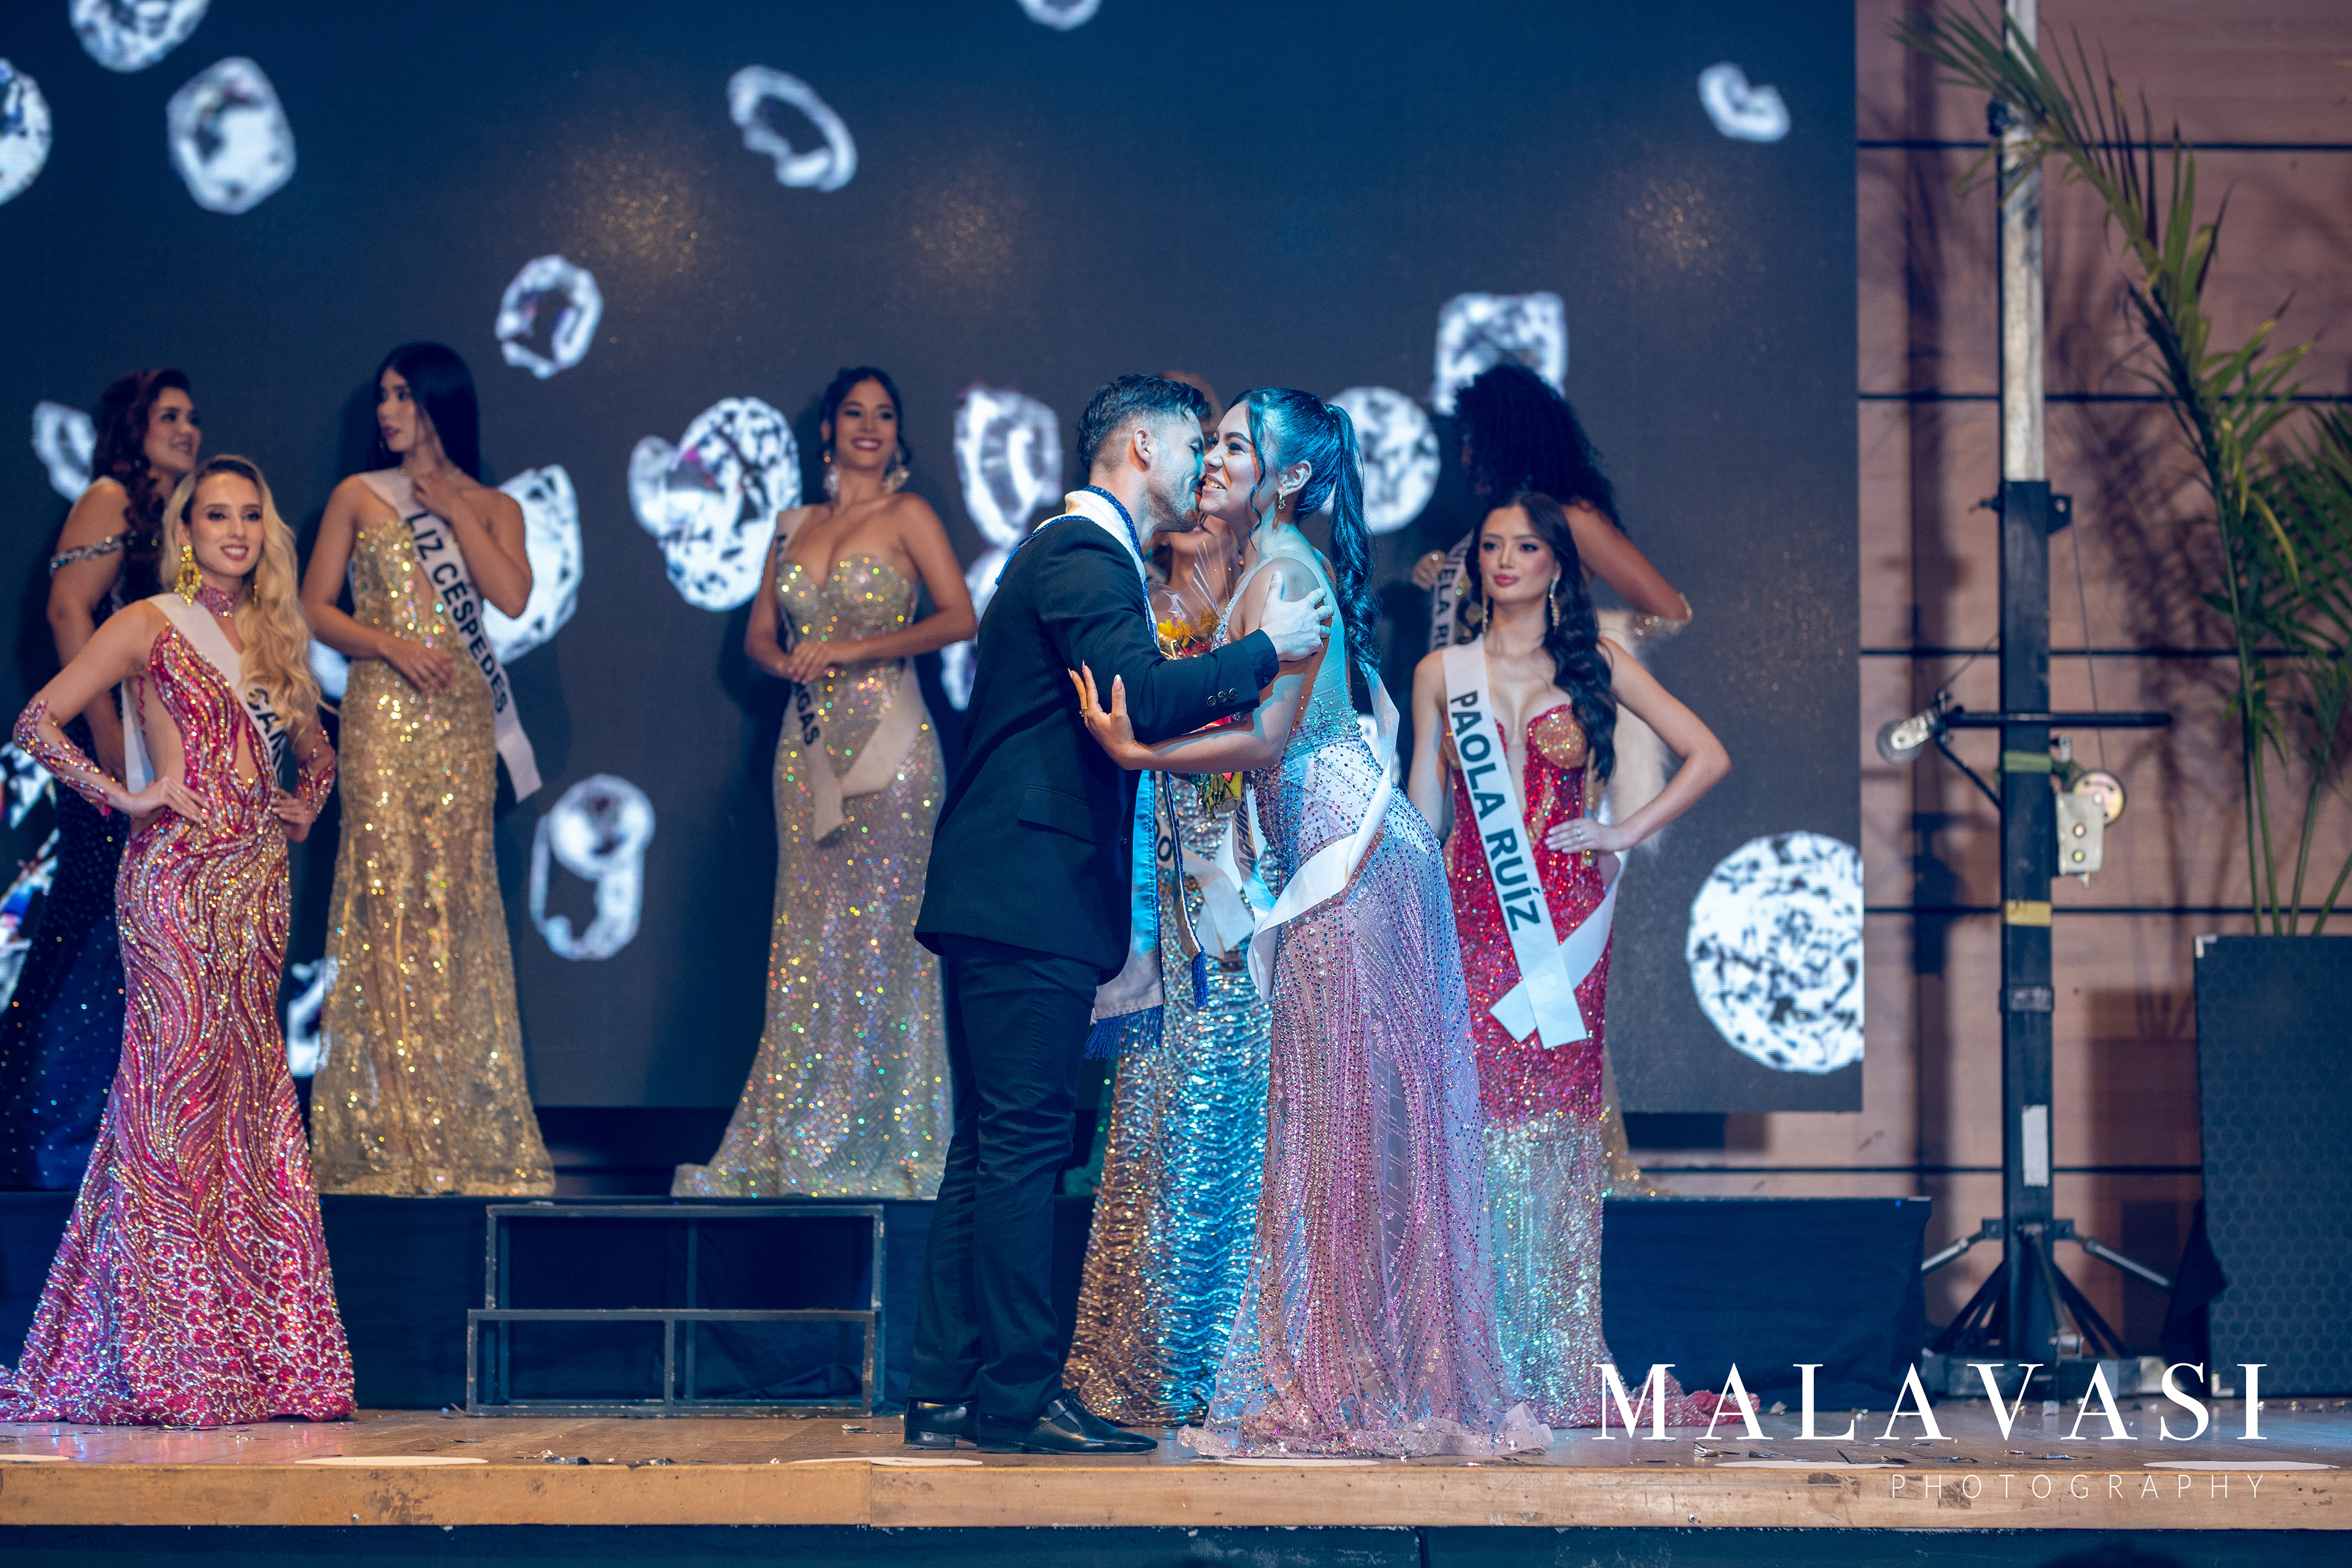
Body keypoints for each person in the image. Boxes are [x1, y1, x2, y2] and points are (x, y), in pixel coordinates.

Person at [1072, 388, 1544, 1458]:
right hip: (1328, 867)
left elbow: (1268, 739)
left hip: (1354, 869)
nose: (1213, 460)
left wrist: (1138, 752)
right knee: (1328, 1119)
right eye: (1215, 442)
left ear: (1287, 477)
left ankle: (1352, 1378)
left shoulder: (1284, 573)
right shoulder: (1262, 567)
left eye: (1237, 446)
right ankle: (1349, 1365)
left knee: (1342, 1122)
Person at [907, 374, 1331, 1457]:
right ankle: (1012, 1398)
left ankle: (947, 1388)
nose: (1205, 466)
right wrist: (1269, 650)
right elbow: (1137, 696)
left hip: (1011, 892)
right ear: (1141, 446)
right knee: (1022, 1145)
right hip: (1026, 893)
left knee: (994, 1144)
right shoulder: (1081, 554)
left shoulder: (1079, 556)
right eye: (1195, 444)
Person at [1, 455, 352, 1425]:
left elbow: (319, 752)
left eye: (250, 516)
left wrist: (305, 803)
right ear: (186, 532)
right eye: (216, 516)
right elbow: (38, 722)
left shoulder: (276, 635)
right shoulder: (150, 623)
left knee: (248, 1109)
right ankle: (173, 1352)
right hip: (173, 884)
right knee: (172, 1103)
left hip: (257, 892)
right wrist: (127, 794)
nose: (235, 531)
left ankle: (264, 1351)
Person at [1405, 491, 1730, 1427]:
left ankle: (1546, 1353)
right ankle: (1470, 1352)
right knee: (1469, 1124)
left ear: (1557, 565)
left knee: (1548, 1129)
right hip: (1469, 918)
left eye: (1526, 547)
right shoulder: (1440, 673)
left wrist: (1621, 830)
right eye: (1491, 547)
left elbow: (1706, 754)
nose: (1505, 561)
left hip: (1565, 925)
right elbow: (1423, 810)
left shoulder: (1595, 664)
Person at [676, 368, 975, 1199]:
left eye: (884, 414)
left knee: (886, 940)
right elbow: (759, 637)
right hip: (807, 748)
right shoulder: (792, 527)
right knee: (809, 942)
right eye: (854, 412)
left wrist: (848, 651)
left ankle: (886, 1132)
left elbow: (959, 616)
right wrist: (789, 663)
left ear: (898, 433)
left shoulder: (909, 515)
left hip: (892, 746)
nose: (868, 426)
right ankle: (804, 1126)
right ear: (828, 429)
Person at [1411, 361, 1692, 1194]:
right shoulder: (1480, 555)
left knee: (1553, 1064)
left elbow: (1667, 610)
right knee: (1469, 1099)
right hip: (1471, 845)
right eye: (1495, 550)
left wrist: (1588, 650)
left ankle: (1568, 1217)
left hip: (1560, 819)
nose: (1465, 457)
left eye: (1474, 439)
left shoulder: (1569, 521)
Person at [299, 343, 553, 1196]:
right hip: (382, 709)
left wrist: (454, 510)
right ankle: (391, 1125)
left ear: (440, 402)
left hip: (461, 720)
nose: (387, 411)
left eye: (403, 395)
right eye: (382, 396)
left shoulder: (494, 505)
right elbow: (313, 609)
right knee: (387, 905)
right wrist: (387, 645)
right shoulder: (358, 495)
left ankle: (449, 1120)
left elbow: (511, 597)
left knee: (451, 908)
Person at [1062, 494, 1272, 1427]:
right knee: (1154, 1103)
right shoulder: (1133, 612)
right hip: (1159, 889)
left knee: (1231, 1100)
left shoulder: (1262, 608)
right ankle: (1151, 1345)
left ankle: (1223, 1350)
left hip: (1241, 884)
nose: (1194, 507)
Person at [0, 369, 200, 1189]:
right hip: (103, 741)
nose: (187, 429)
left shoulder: (171, 510)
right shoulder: (111, 496)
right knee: (87, 920)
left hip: (150, 742)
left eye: (192, 417)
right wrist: (108, 739)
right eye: (169, 416)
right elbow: (66, 609)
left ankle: (106, 1131)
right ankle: (38, 1128)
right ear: (133, 427)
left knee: (126, 926)